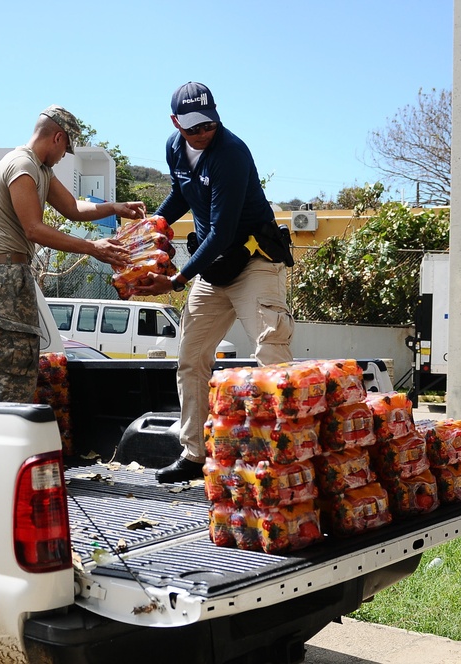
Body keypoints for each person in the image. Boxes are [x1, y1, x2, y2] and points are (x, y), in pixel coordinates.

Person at [136, 82, 295, 484]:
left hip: (254, 261)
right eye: (193, 128)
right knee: (190, 357)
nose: (202, 133)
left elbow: (222, 231)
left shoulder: (231, 153)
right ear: (176, 123)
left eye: (208, 124)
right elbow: (180, 195)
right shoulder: (175, 147)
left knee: (270, 353)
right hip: (215, 269)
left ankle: (286, 456)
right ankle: (193, 454)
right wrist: (148, 230)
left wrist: (176, 280)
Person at [0, 105, 145, 403]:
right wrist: (92, 248)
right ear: (57, 138)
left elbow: (73, 208)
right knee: (13, 375)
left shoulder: (40, 169)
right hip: (3, 278)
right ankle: (6, 444)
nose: (64, 157)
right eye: (66, 150)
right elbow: (34, 229)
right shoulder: (22, 167)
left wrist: (115, 207)